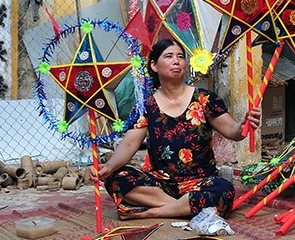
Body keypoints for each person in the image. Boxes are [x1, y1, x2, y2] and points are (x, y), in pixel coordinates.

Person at [93, 38, 261, 220]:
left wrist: (244, 126)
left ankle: (151, 212)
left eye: (180, 57)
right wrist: (109, 166)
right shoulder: (146, 106)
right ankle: (185, 207)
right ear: (154, 65)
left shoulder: (204, 99)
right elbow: (128, 145)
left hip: (200, 182)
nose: (176, 61)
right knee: (116, 178)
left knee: (223, 190)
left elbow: (232, 130)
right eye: (169, 56)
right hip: (161, 186)